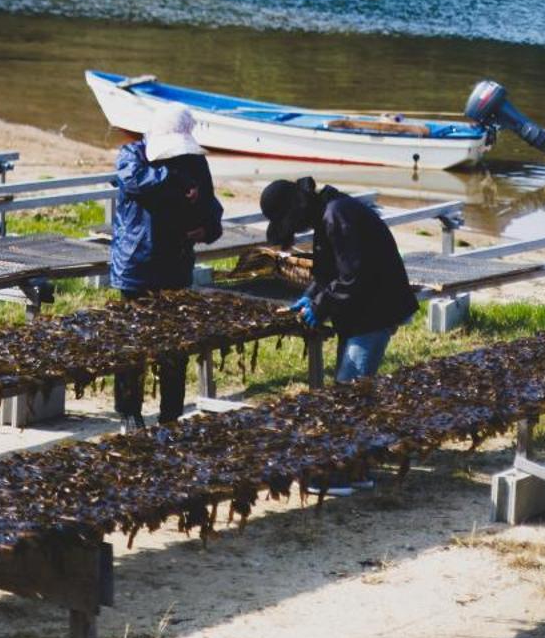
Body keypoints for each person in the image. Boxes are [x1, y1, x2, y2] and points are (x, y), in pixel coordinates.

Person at [108, 104, 223, 426]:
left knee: (175, 344)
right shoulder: (133, 155)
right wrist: (175, 177)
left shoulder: (195, 162)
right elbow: (135, 181)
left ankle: (171, 413)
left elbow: (211, 205)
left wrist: (209, 228)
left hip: (176, 262)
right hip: (137, 264)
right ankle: (129, 412)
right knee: (132, 343)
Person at [259, 176, 417, 382]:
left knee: (351, 390)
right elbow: (328, 271)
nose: (295, 230)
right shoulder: (326, 212)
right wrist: (311, 295)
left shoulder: (337, 215)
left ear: (297, 212)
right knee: (345, 386)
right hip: (361, 309)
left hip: (377, 310)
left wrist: (320, 307)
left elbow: (353, 278)